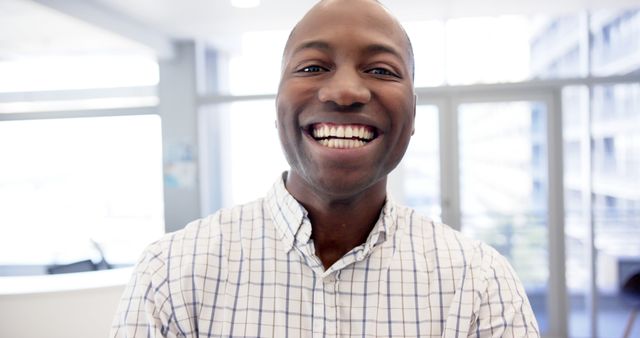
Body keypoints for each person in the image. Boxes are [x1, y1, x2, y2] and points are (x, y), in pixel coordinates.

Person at [110, 0, 540, 337]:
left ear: (413, 115)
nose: (346, 91)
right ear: (276, 107)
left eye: (380, 70)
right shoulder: (172, 274)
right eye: (313, 67)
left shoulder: (480, 282)